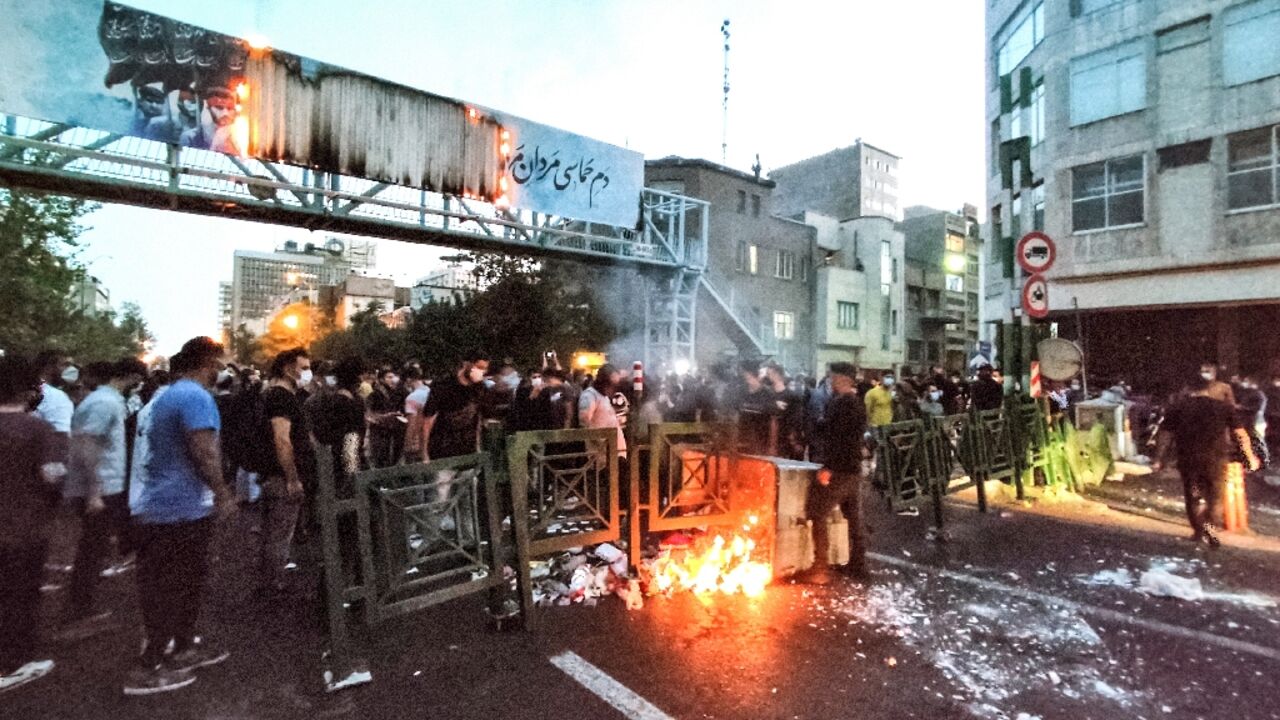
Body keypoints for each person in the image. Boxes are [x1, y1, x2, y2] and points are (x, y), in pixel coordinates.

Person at [127, 337, 233, 695]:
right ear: (206, 362)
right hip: (176, 510)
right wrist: (222, 493)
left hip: (173, 507)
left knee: (186, 583)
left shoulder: (171, 394)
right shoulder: (193, 396)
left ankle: (184, 647)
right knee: (168, 587)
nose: (223, 369)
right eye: (220, 362)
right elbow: (204, 453)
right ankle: (148, 667)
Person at [61, 357, 147, 632]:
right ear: (131, 376)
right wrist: (95, 492)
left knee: (93, 547)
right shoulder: (105, 402)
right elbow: (88, 444)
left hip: (100, 486)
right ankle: (79, 612)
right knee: (91, 549)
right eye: (138, 378)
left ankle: (81, 607)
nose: (139, 384)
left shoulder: (104, 400)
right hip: (99, 487)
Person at [0, 356, 67, 693]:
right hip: (25, 528)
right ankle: (14, 662)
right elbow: (51, 477)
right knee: (21, 596)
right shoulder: (38, 429)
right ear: (27, 391)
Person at [1155, 371, 1260, 547]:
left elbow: (1165, 434)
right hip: (1216, 458)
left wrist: (1159, 458)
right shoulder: (1223, 407)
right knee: (1216, 496)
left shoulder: (1179, 406)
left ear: (1188, 389)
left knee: (1193, 494)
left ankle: (1198, 530)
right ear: (1209, 388)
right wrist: (1249, 456)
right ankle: (1210, 528)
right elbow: (1240, 434)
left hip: (1188, 458)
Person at [795, 362, 868, 585]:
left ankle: (820, 568)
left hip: (839, 470)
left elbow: (838, 440)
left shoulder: (841, 404)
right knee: (853, 517)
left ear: (844, 379)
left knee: (817, 512)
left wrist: (827, 467)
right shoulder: (857, 404)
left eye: (833, 377)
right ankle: (858, 564)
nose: (831, 381)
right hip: (853, 468)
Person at [255, 348, 313, 598]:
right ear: (288, 368)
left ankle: (268, 581)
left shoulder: (275, 394)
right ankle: (273, 585)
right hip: (281, 477)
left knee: (272, 532)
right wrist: (292, 478)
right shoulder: (281, 397)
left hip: (272, 474)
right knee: (280, 534)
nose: (307, 373)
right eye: (304, 367)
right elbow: (282, 440)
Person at [579, 364, 627, 456]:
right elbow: (585, 423)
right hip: (601, 456)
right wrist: (602, 442)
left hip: (614, 454)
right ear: (604, 381)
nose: (614, 388)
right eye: (612, 384)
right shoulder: (589, 396)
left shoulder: (603, 396)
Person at [365, 368, 405, 468]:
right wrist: (385, 417)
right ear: (382, 380)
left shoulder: (397, 394)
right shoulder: (374, 395)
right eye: (389, 377)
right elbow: (369, 415)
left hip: (394, 433)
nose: (392, 380)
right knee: (381, 461)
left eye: (393, 377)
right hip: (380, 434)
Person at [401, 366, 431, 462]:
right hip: (431, 437)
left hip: (418, 441)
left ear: (408, 380)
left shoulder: (412, 398)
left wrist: (407, 446)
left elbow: (412, 424)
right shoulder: (430, 392)